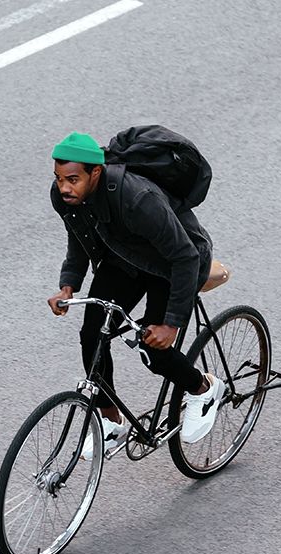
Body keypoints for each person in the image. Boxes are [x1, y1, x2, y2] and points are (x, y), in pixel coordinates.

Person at [45, 131, 224, 459]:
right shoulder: (65, 198)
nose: (64, 187)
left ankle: (203, 388)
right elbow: (79, 239)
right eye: (59, 179)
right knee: (92, 335)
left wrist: (171, 324)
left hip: (171, 266)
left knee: (153, 349)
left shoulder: (137, 198)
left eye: (72, 179)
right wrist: (68, 285)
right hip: (124, 260)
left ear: (95, 173)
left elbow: (184, 256)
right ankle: (110, 418)